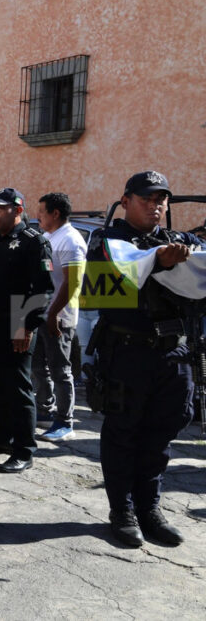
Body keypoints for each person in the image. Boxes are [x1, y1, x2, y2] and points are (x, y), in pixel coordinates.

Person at [86, 171, 201, 547]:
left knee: (161, 434)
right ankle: (122, 510)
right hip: (128, 351)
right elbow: (104, 297)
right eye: (148, 198)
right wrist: (155, 263)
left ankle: (149, 507)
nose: (157, 206)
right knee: (123, 434)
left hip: (174, 352)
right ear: (126, 200)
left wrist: (175, 258)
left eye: (162, 200)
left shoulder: (177, 241)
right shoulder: (105, 242)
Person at [0, 188, 54, 474]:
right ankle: (3, 437)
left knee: (18, 388)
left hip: (18, 321)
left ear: (17, 210)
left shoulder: (34, 242)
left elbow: (42, 290)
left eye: (0, 208)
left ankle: (24, 448)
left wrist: (27, 326)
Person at [33, 192, 87, 442]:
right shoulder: (47, 237)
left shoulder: (71, 240)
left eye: (42, 212)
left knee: (60, 370)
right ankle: (45, 410)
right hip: (42, 314)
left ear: (55, 214)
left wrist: (54, 313)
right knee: (37, 367)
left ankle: (65, 422)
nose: (38, 216)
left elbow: (72, 283)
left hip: (60, 317)